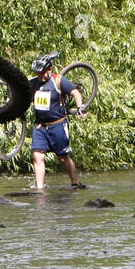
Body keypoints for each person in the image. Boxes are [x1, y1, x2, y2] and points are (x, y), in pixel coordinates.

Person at [28, 51, 87, 190]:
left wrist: (80, 107)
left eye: (42, 73)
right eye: (38, 73)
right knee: (37, 156)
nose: (40, 76)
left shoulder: (58, 80)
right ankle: (40, 189)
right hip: (40, 126)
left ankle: (74, 183)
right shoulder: (33, 83)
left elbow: (75, 93)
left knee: (63, 157)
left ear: (50, 70)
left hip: (58, 125)